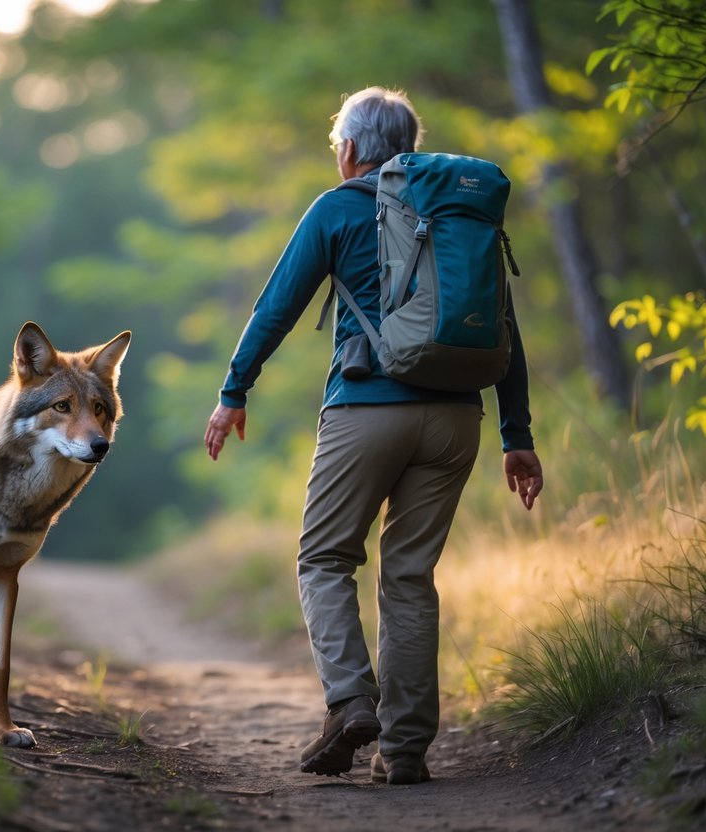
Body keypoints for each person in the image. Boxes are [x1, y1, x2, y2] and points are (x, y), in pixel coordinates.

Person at [203, 87, 543, 785]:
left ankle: (351, 701)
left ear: (350, 150)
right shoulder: (459, 215)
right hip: (456, 418)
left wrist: (233, 392)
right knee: (410, 578)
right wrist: (517, 435)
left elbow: (276, 307)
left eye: (338, 148)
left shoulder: (338, 206)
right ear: (409, 147)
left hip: (366, 409)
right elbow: (503, 329)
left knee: (325, 560)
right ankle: (406, 751)